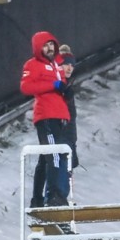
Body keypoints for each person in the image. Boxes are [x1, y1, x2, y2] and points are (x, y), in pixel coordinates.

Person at [20, 31, 77, 207]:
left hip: (59, 117)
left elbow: (62, 75)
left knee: (48, 158)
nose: (50, 48)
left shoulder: (54, 67)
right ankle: (54, 196)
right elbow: (26, 86)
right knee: (54, 155)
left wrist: (64, 91)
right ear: (38, 48)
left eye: (52, 44)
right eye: (46, 45)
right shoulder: (34, 64)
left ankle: (40, 199)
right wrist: (53, 85)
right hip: (47, 117)